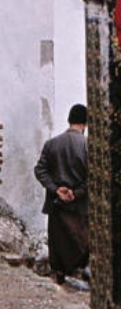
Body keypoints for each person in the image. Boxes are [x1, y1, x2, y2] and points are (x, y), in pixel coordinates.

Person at [34, 104, 89, 288]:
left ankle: (59, 278)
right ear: (85, 123)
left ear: (69, 120)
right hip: (78, 206)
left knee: (58, 244)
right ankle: (78, 276)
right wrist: (76, 193)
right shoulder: (87, 146)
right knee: (79, 243)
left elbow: (40, 170)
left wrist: (56, 189)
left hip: (56, 204)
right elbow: (93, 178)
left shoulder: (52, 144)